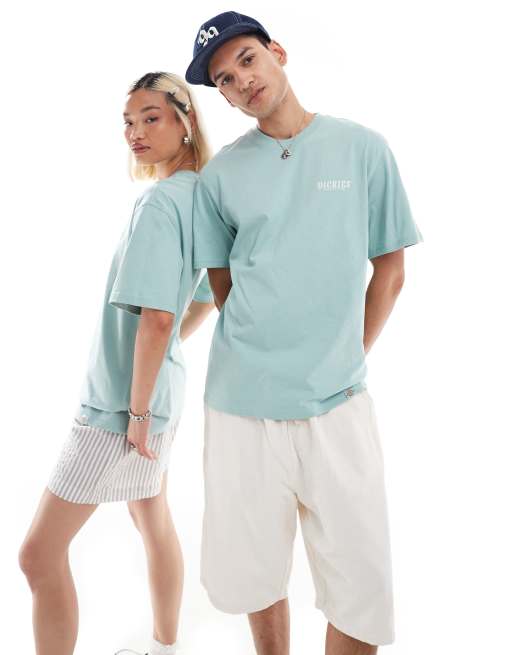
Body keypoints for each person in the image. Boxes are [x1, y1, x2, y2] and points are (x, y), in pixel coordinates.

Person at [185, 11, 424, 655]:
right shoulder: (221, 176)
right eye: (224, 79)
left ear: (278, 52)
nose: (241, 80)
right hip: (242, 408)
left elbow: (391, 270)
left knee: (363, 589)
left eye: (247, 60)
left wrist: (345, 353)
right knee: (255, 571)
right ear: (223, 97)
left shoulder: (362, 148)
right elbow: (223, 288)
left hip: (338, 403)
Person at [18, 71, 215, 655]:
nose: (135, 132)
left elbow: (156, 318)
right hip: (159, 394)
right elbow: (206, 294)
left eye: (151, 118)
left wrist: (136, 409)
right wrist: (161, 370)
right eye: (128, 122)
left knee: (38, 555)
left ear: (185, 121)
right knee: (151, 514)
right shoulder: (202, 197)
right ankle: (165, 647)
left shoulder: (158, 203)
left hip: (122, 405)